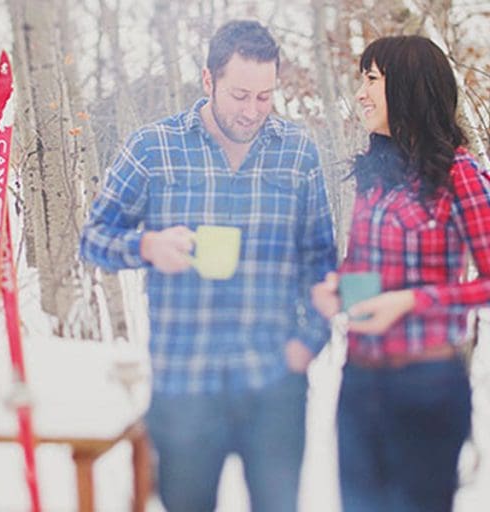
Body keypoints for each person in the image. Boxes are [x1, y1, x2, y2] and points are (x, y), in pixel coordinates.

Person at [80, 19, 336, 512]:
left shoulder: (297, 151)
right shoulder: (153, 148)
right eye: (240, 95)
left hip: (274, 387)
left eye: (265, 97)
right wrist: (147, 246)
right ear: (207, 80)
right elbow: (93, 240)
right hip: (185, 388)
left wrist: (308, 344)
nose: (252, 111)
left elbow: (321, 263)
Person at [311, 35, 490, 512]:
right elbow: (364, 275)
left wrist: (413, 301)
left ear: (408, 87)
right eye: (361, 80)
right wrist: (338, 290)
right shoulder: (376, 175)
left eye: (371, 79)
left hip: (427, 388)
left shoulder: (460, 174)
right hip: (359, 384)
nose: (360, 93)